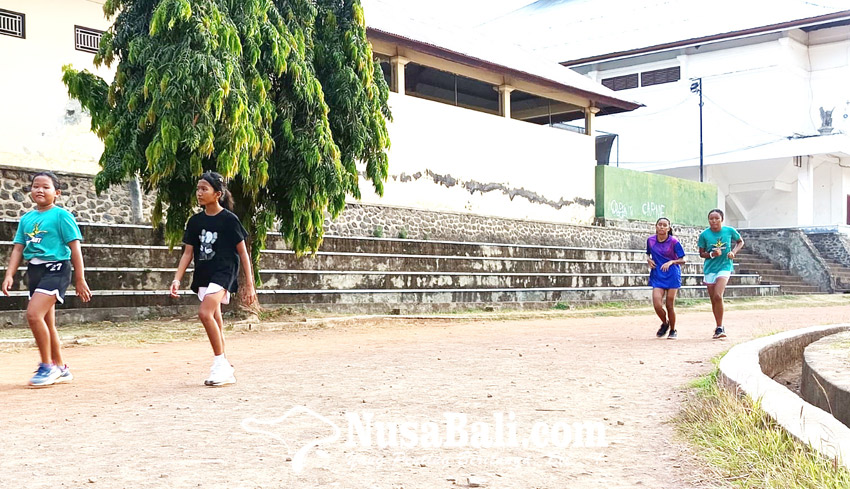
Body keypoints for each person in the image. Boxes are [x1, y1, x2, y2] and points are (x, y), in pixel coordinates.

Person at [1, 171, 92, 386]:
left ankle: (47, 366)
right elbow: (18, 249)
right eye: (35, 186)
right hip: (35, 272)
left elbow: (75, 248)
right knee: (47, 323)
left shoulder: (62, 216)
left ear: (57, 192)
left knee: (33, 315)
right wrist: (9, 274)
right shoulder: (27, 219)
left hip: (57, 269)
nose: (39, 190)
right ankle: (61, 367)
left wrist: (80, 278)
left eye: (45, 187)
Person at [170, 171, 257, 386]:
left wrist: (250, 285)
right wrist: (176, 279)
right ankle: (225, 366)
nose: (199, 193)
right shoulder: (195, 221)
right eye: (198, 189)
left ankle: (219, 363)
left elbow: (243, 253)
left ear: (217, 194)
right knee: (216, 319)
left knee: (205, 313)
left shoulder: (229, 220)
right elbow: (188, 253)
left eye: (204, 189)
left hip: (224, 271)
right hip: (204, 273)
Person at [697, 208, 744, 339]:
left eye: (717, 218)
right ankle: (718, 326)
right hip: (710, 268)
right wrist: (712, 254)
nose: (714, 221)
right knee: (714, 299)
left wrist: (733, 252)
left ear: (722, 219)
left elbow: (740, 242)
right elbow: (701, 253)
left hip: (725, 266)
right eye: (711, 219)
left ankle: (720, 327)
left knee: (718, 295)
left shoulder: (729, 231)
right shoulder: (704, 235)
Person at [646, 217, 686, 339]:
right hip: (658, 274)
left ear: (668, 228)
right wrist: (648, 259)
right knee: (657, 304)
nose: (662, 227)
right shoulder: (651, 240)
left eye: (664, 225)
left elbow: (683, 260)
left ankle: (673, 330)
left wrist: (672, 262)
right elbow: (648, 253)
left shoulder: (674, 241)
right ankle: (665, 323)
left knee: (669, 305)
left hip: (672, 274)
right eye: (659, 225)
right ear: (656, 226)